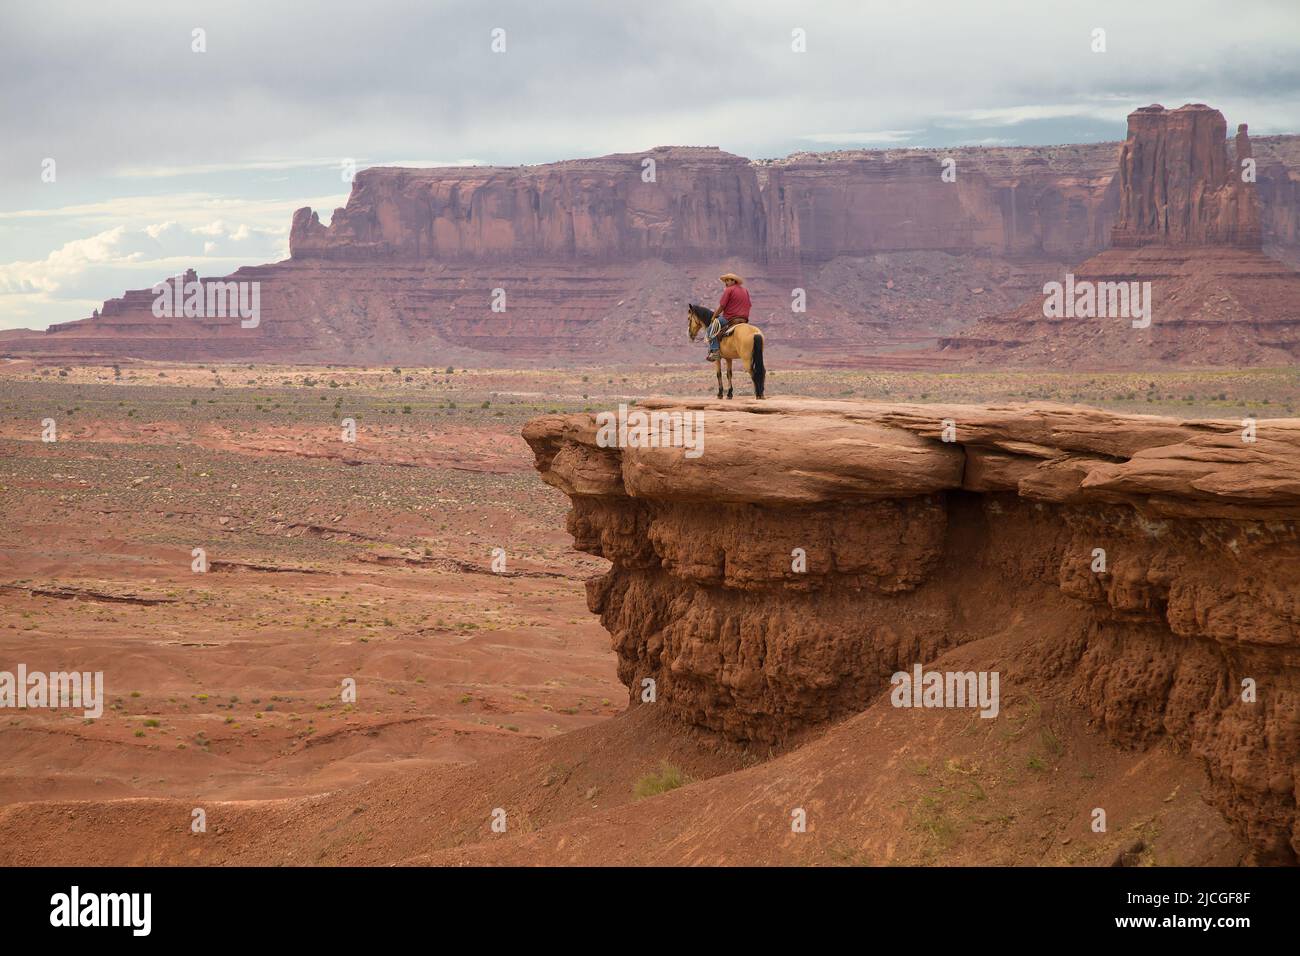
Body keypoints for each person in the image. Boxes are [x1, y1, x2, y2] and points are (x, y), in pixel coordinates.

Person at [707, 272, 750, 361]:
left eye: (728, 280)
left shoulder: (728, 290)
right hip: (744, 319)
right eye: (725, 281)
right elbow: (749, 305)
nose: (726, 283)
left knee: (710, 329)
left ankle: (715, 352)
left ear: (734, 281)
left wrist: (714, 317)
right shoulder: (745, 290)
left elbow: (722, 306)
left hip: (730, 318)